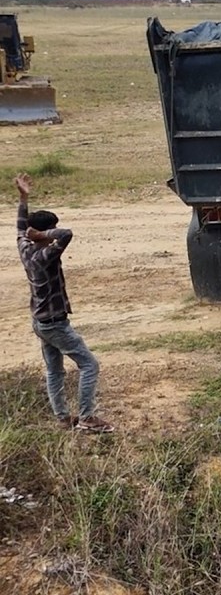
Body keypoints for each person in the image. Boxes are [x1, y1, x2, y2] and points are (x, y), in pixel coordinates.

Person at [14, 173, 114, 433]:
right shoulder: (45, 254)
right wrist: (42, 232)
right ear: (41, 233)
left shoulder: (25, 248)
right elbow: (66, 234)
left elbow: (19, 227)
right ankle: (87, 418)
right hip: (55, 323)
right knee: (89, 365)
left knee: (55, 371)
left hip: (39, 321)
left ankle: (62, 418)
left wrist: (23, 198)